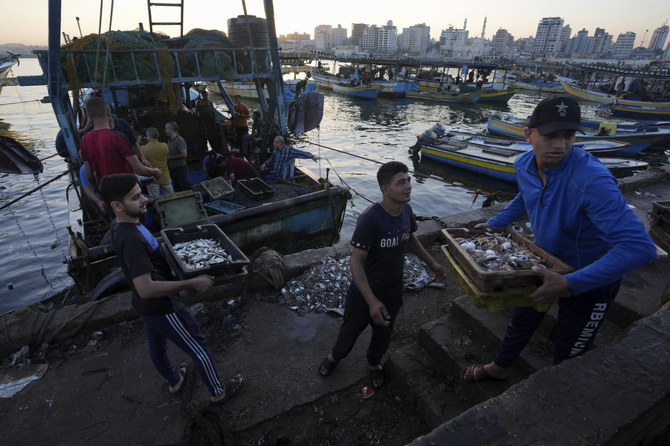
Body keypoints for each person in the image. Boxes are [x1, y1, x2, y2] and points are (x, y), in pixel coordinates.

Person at [460, 96, 657, 382]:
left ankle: (556, 394)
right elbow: (525, 197)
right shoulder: (523, 163)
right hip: (544, 264)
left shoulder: (593, 180)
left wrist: (569, 283)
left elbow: (640, 248)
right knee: (521, 321)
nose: (560, 145)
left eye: (568, 136)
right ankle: (500, 368)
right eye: (551, 135)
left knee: (570, 349)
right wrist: (493, 224)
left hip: (591, 279)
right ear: (529, 135)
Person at [99, 173, 244, 403]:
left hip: (144, 306)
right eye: (136, 198)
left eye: (141, 193)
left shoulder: (123, 226)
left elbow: (149, 261)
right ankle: (219, 392)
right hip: (162, 305)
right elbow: (146, 287)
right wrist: (191, 282)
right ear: (117, 206)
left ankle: (174, 381)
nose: (145, 199)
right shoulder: (131, 240)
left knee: (157, 346)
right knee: (198, 346)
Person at [318, 161, 447, 388]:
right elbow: (356, 263)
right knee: (350, 329)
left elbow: (411, 239)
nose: (408, 186)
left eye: (408, 180)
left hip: (392, 288)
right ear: (385, 189)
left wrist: (432, 264)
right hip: (363, 292)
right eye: (401, 182)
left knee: (384, 331)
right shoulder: (370, 219)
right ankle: (335, 356)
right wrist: (372, 301)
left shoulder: (406, 210)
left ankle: (374, 363)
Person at [80, 97, 161, 190]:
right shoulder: (118, 137)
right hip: (127, 189)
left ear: (88, 115)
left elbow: (89, 176)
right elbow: (140, 170)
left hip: (107, 192)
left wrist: (98, 192)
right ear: (108, 111)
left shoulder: (84, 140)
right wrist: (155, 171)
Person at [141, 127, 174, 198]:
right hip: (165, 176)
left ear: (148, 136)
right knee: (171, 196)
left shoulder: (143, 149)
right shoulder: (164, 145)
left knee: (155, 199)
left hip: (153, 179)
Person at [165, 121, 190, 192]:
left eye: (166, 128)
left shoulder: (179, 140)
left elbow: (184, 154)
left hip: (180, 168)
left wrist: (170, 157)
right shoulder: (169, 141)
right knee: (177, 189)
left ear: (171, 129)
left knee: (184, 188)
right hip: (173, 169)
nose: (165, 130)